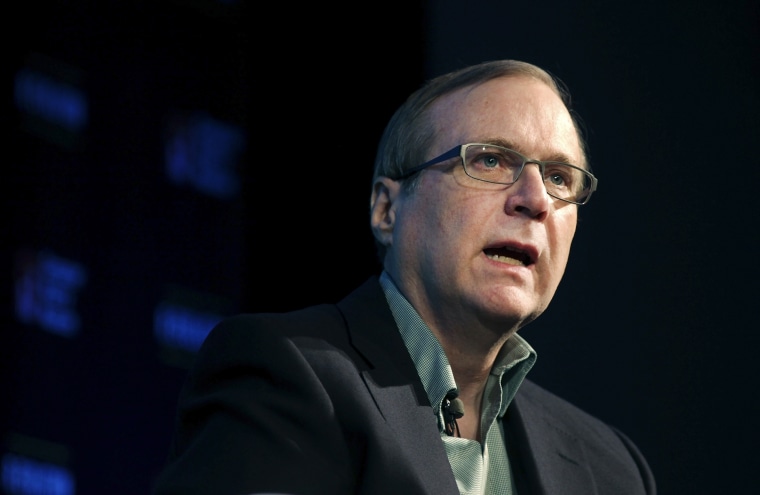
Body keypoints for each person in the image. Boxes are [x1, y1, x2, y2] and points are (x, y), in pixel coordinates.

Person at [152, 59, 656, 495]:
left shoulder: (611, 468)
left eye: (560, 178)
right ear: (387, 210)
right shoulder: (280, 376)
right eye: (489, 160)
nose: (536, 199)